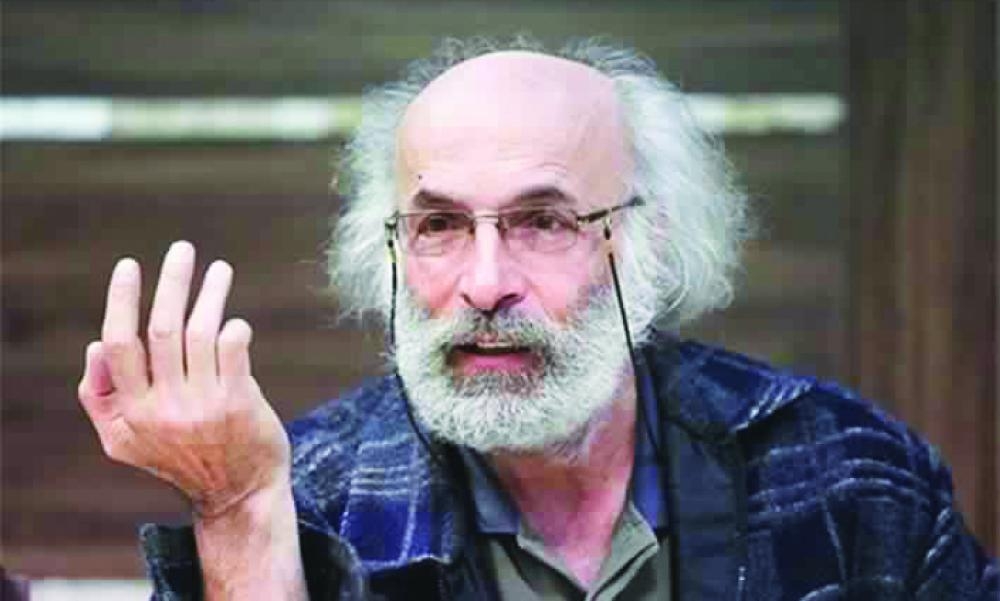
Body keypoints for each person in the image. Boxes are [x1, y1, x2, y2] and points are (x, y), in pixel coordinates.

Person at [77, 37, 998, 600]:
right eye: (439, 225)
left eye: (545, 222)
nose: (485, 283)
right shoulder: (308, 496)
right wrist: (238, 510)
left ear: (642, 243)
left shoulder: (853, 476)